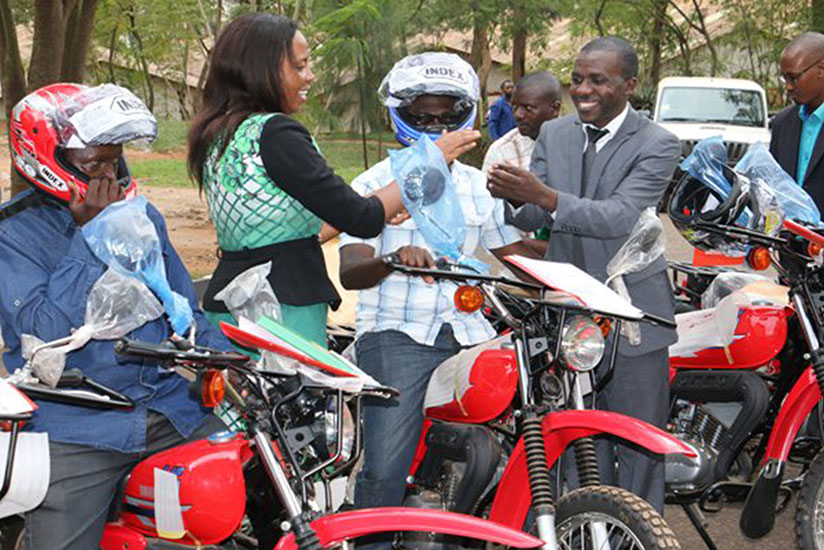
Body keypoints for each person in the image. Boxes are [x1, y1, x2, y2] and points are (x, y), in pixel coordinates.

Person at [0, 83, 230, 550]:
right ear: (48, 161)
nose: (109, 175)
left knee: (235, 506)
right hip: (76, 428)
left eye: (115, 161)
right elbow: (40, 336)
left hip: (168, 410)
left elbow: (183, 309)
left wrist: (232, 359)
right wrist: (89, 237)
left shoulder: (141, 218)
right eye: (93, 165)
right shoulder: (13, 233)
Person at [337, 52, 539, 547]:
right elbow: (351, 271)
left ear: (465, 114)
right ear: (400, 115)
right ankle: (371, 541)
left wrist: (580, 249)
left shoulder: (478, 187)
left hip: (473, 334)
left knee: (514, 444)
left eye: (448, 115)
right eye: (422, 116)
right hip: (397, 336)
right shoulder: (373, 186)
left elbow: (512, 253)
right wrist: (393, 258)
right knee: (384, 465)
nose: (435, 126)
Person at [487, 37, 680, 512]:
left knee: (639, 445)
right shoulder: (555, 135)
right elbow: (534, 217)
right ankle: (580, 533)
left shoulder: (659, 143)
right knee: (578, 441)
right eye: (577, 79)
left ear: (629, 85)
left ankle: (639, 537)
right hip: (569, 318)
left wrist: (545, 198)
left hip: (634, 316)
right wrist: (511, 196)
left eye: (598, 80)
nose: (583, 89)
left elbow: (617, 218)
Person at [187, 13, 404, 347]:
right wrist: (428, 164)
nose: (310, 77)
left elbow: (282, 225)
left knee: (237, 399)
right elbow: (362, 218)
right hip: (281, 310)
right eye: (300, 67)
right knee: (293, 397)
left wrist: (381, 202)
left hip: (229, 304)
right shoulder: (276, 132)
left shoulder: (217, 132)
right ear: (263, 70)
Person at [771, 32, 824, 212]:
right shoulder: (782, 123)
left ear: (821, 69)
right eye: (784, 78)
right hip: (788, 236)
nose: (788, 87)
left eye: (794, 77)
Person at [482, 71, 562, 173]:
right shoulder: (501, 152)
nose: (518, 115)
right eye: (514, 107)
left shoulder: (582, 142)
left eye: (528, 108)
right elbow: (492, 123)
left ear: (555, 108)